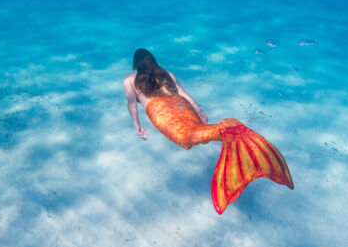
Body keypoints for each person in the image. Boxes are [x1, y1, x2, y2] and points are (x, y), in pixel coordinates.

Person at [123, 48, 294, 214]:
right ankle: (227, 131)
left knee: (187, 138)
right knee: (199, 132)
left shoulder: (130, 80)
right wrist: (198, 110)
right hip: (182, 107)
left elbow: (132, 104)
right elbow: (183, 93)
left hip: (162, 113)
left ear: (135, 64)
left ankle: (226, 131)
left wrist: (136, 124)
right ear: (153, 60)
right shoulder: (166, 74)